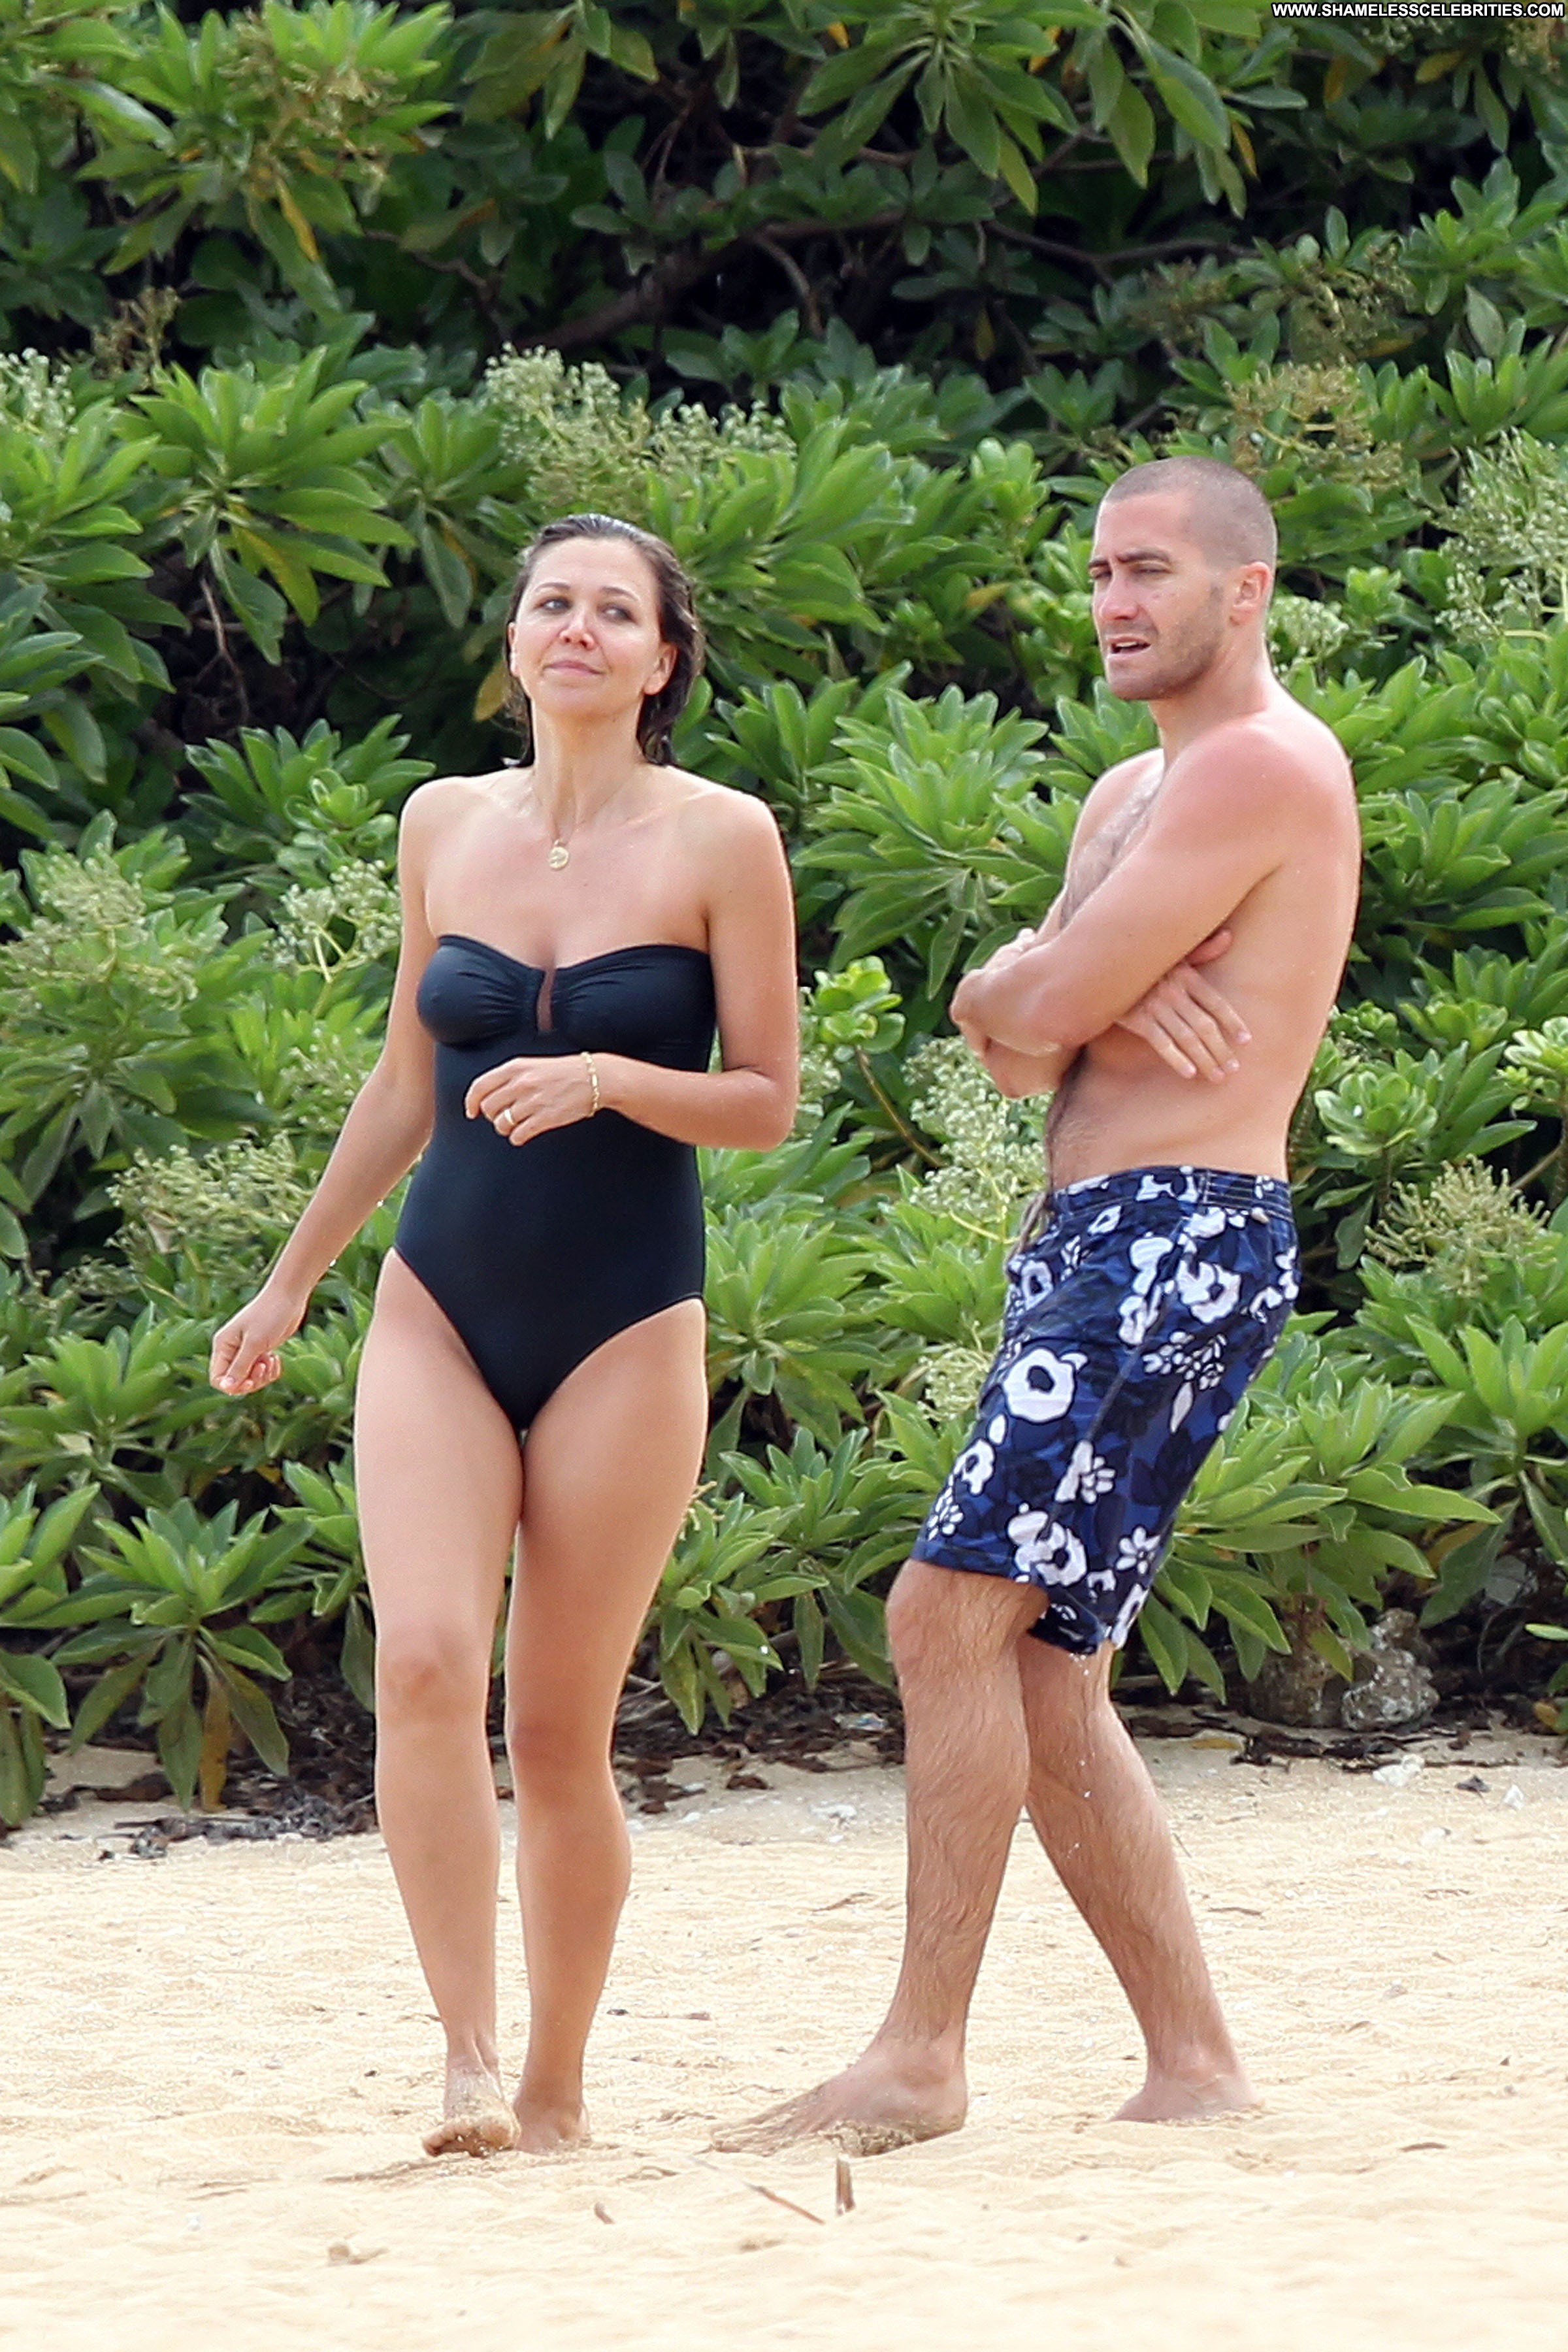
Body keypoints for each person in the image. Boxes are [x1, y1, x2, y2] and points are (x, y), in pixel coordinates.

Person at [717, 453, 1360, 2154]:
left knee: (943, 1618)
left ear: (1246, 591)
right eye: (1097, 573)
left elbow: (1041, 999)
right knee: (1049, 1671)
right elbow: (1003, 1039)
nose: (1114, 603)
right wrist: (1074, 995)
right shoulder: (1126, 798)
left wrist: (1069, 992)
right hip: (1091, 1240)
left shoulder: (1263, 767)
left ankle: (921, 2057)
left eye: (1150, 570)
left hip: (1177, 1235)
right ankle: (1195, 2064)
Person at [210, 514, 798, 2157]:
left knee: (555, 1730)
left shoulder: (724, 838)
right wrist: (291, 1277)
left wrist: (609, 1077)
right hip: (438, 1308)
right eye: (553, 603)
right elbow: (407, 1081)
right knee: (419, 1662)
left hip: (627, 1322)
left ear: (663, 657)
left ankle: (556, 2086)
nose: (578, 629)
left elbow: (767, 1098)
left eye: (616, 610)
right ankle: (467, 2063)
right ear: (517, 640)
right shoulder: (443, 823)